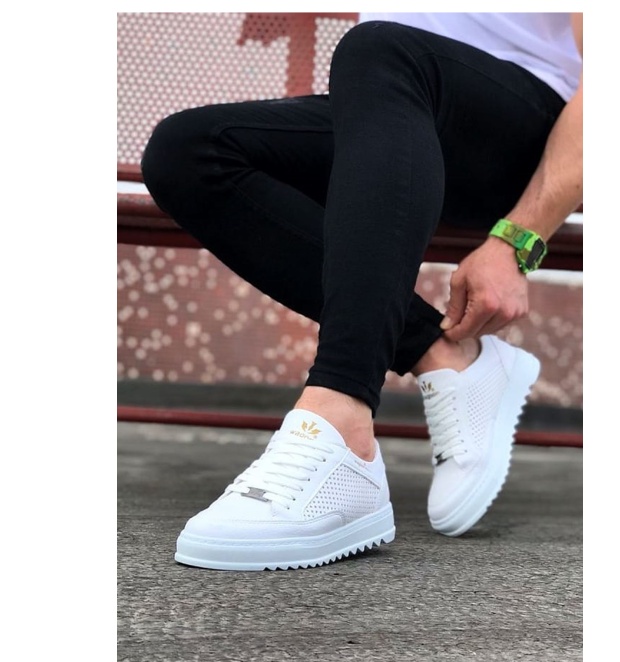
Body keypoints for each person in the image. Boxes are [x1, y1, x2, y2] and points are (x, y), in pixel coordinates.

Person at [140, 12, 583, 571]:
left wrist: (518, 239)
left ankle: (340, 419)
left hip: (526, 135)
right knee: (188, 152)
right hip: (391, 106)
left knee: (379, 49)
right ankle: (447, 356)